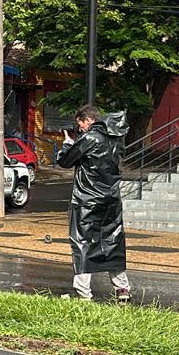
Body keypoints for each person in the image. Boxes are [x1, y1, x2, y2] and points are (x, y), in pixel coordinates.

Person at [56, 105, 131, 303]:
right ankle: (122, 288)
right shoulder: (117, 140)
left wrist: (67, 145)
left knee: (82, 242)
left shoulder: (90, 139)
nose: (80, 128)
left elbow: (65, 161)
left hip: (86, 200)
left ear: (87, 120)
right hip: (111, 200)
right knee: (113, 241)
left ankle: (83, 292)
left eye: (80, 123)